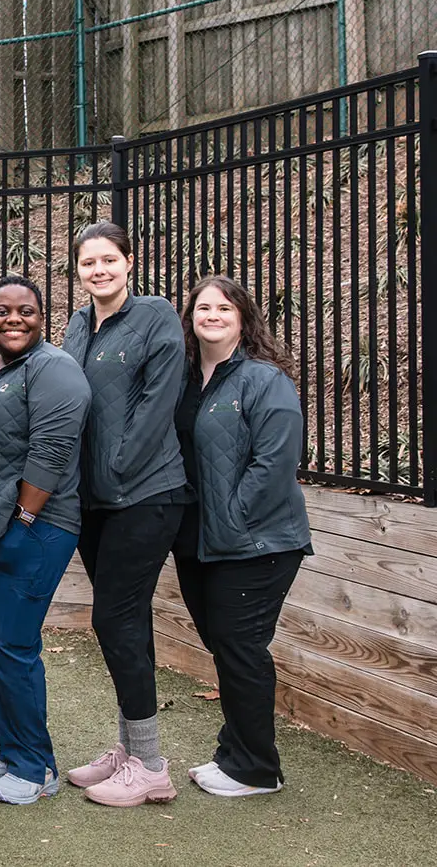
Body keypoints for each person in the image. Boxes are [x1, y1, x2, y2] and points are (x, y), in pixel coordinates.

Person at [60, 223, 190, 807]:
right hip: (94, 503)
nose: (99, 271)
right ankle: (130, 749)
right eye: (89, 263)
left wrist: (111, 473)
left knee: (115, 619)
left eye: (109, 260)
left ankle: (152, 766)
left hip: (147, 496)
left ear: (129, 262)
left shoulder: (156, 316)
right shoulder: (76, 325)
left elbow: (155, 406)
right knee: (124, 622)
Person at [0, 274, 91, 805]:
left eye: (25, 311)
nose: (13, 319)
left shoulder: (54, 369)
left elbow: (52, 450)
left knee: (13, 644)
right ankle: (14, 752)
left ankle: (37, 767)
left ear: (44, 315)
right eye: (1, 310)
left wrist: (23, 521)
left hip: (36, 525)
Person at [175, 275, 311, 798]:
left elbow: (275, 462)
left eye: (223, 308)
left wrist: (230, 520)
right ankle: (233, 753)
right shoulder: (189, 379)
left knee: (241, 647)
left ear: (242, 318)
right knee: (225, 646)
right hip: (199, 541)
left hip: (259, 543)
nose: (211, 315)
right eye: (202, 307)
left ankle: (257, 769)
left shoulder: (264, 379)